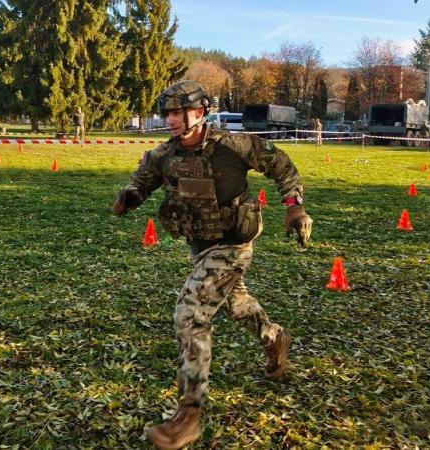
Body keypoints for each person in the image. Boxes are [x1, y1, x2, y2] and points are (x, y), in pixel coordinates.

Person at [112, 80, 313, 450]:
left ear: (201, 112)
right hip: (200, 246)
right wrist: (132, 194)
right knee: (236, 304)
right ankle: (274, 338)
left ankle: (188, 416)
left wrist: (294, 206)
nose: (172, 120)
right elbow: (145, 177)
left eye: (179, 112)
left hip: (235, 244)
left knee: (190, 314)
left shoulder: (233, 145)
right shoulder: (165, 153)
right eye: (168, 113)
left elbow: (281, 165)